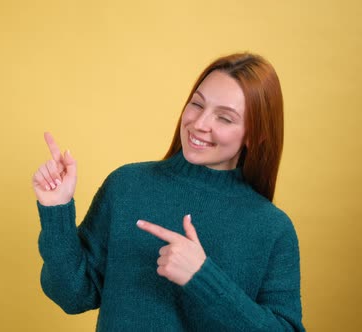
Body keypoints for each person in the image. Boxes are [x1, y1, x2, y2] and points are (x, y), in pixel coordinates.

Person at [31, 53, 305, 331]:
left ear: (255, 134)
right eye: (197, 104)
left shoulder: (272, 228)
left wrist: (202, 279)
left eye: (224, 118)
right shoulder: (127, 186)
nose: (199, 123)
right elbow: (72, 295)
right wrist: (57, 212)